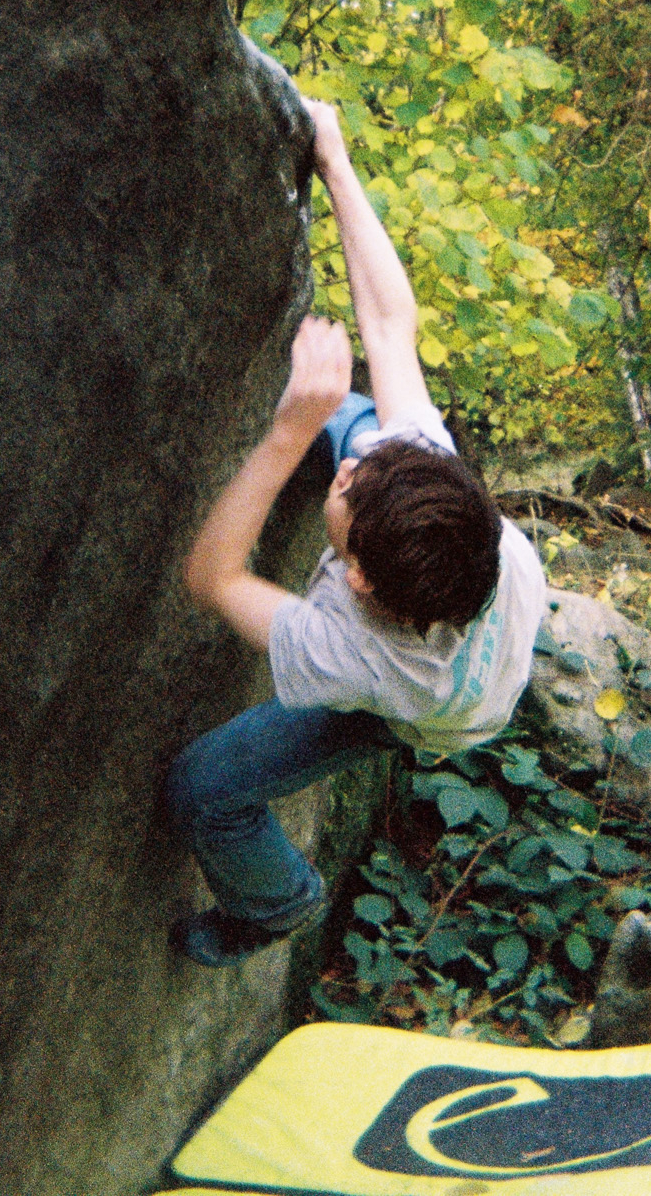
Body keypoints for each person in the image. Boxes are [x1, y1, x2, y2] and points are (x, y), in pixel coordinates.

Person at [168, 96, 547, 967]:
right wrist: (333, 157)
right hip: (473, 625)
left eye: (345, 488)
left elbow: (216, 578)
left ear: (359, 581)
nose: (347, 467)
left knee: (203, 791)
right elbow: (390, 324)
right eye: (358, 466)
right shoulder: (431, 493)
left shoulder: (355, 658)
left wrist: (288, 436)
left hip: (429, 709)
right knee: (366, 411)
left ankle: (273, 902)